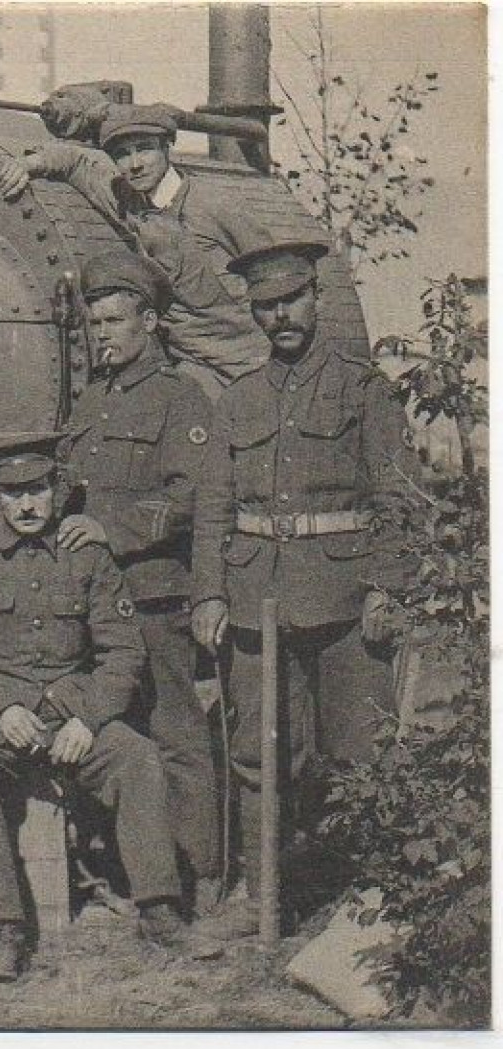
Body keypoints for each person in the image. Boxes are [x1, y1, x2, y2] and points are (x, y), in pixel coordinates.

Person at [191, 240, 417, 937]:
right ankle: (262, 899)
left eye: (289, 300)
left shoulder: (362, 390)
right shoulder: (237, 400)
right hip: (257, 597)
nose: (278, 316)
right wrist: (208, 592)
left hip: (346, 597)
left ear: (315, 298)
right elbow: (213, 506)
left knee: (360, 749)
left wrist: (385, 584)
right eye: (264, 307)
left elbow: (397, 495)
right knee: (260, 755)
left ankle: (377, 902)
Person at [0, 432, 210, 982]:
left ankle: (159, 907)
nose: (27, 505)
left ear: (56, 487)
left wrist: (89, 718)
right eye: (12, 492)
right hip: (4, 718)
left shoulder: (87, 552)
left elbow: (122, 649)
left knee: (135, 754)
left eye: (37, 489)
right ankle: (3, 927)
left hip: (72, 713)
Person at [59, 251, 221, 908]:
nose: (102, 334)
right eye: (94, 323)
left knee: (176, 734)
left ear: (149, 321)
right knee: (112, 737)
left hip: (155, 595)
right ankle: (133, 872)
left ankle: (200, 874)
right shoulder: (92, 400)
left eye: (115, 321)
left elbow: (190, 496)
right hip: (96, 604)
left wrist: (112, 529)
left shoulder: (180, 397)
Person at [0, 104, 270, 394]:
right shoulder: (126, 198)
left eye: (144, 149)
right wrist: (25, 165)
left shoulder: (215, 206)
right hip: (190, 361)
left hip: (246, 361)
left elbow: (275, 271)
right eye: (123, 155)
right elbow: (76, 162)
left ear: (167, 147)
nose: (134, 163)